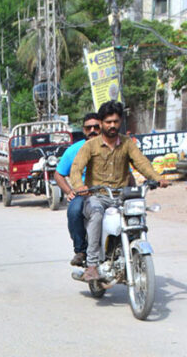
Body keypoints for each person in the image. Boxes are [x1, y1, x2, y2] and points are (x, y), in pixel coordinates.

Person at [70, 101, 169, 282]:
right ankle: (92, 265)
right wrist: (79, 186)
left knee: (138, 214)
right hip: (98, 196)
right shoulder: (90, 146)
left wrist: (157, 177)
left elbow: (142, 163)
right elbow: (75, 169)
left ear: (121, 121)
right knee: (97, 214)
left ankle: (132, 251)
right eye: (108, 122)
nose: (112, 125)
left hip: (123, 195)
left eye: (116, 121)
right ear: (101, 123)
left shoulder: (127, 144)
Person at [53, 112, 100, 266]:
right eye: (89, 127)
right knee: (74, 211)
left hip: (108, 192)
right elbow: (59, 174)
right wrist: (69, 191)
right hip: (83, 193)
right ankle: (80, 250)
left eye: (96, 126)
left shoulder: (111, 147)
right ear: (84, 130)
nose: (93, 130)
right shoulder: (75, 150)